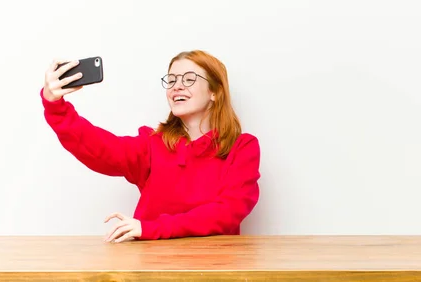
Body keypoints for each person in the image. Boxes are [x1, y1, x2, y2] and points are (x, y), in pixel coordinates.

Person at [40, 50, 261, 243]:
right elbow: (99, 148)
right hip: (152, 268)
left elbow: (227, 212)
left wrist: (150, 228)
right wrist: (55, 107)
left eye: (189, 79)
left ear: (215, 91)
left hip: (214, 270)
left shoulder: (242, 147)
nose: (177, 86)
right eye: (172, 80)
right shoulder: (152, 145)